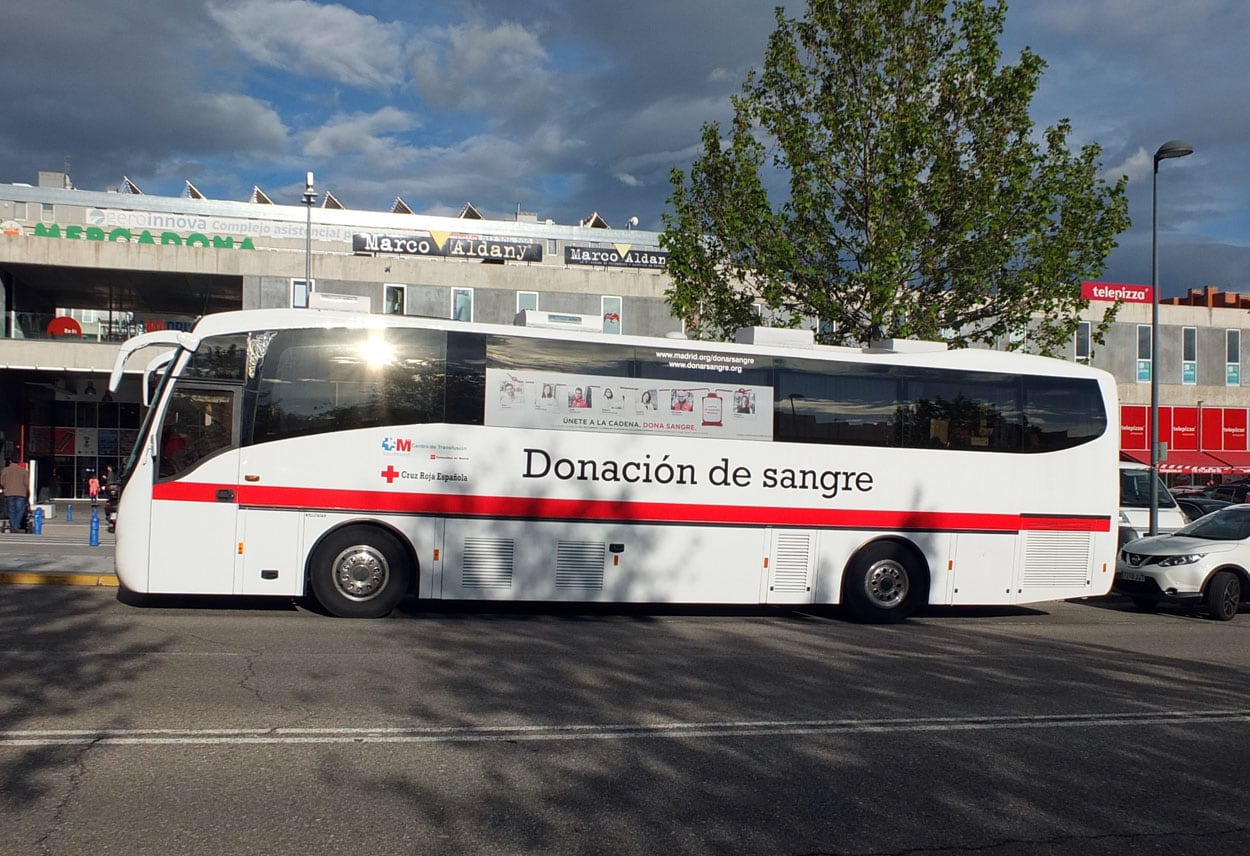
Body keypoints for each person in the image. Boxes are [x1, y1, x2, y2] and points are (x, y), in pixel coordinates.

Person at [1, 457, 30, 534]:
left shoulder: (5, 470)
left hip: (9, 493)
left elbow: (2, 482)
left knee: (11, 510)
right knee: (20, 510)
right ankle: (16, 525)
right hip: (21, 493)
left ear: (10, 461)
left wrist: (6, 487)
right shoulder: (23, 471)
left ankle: (12, 526)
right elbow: (27, 483)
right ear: (18, 462)